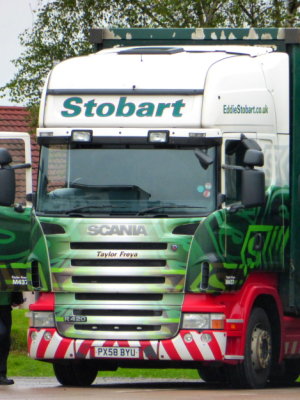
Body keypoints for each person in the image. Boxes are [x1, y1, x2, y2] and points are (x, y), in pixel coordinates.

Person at [0, 291, 24, 385]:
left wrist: (17, 297)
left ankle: (2, 375)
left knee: (5, 341)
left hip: (5, 307)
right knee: (1, 333)